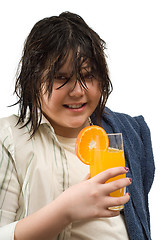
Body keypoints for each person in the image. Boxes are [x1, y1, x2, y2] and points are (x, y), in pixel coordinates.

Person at [0, 12, 155, 240]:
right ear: (33, 80)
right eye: (61, 78)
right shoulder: (10, 138)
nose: (78, 91)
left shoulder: (122, 133)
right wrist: (65, 210)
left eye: (88, 75)